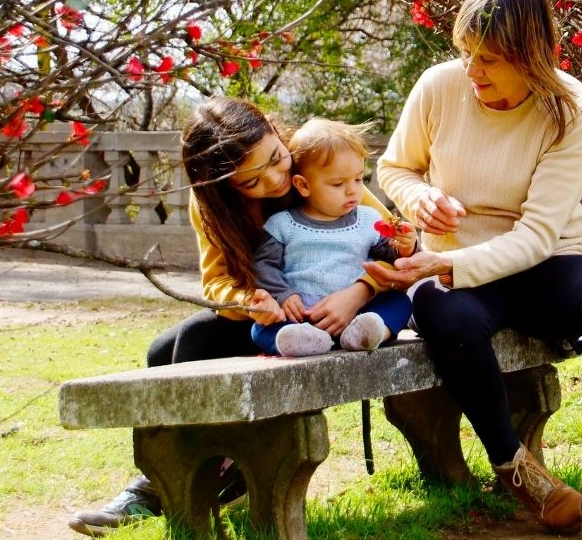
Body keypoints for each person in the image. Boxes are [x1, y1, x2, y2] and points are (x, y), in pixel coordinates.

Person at [371, 0, 582, 539]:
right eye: (466, 53)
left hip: (541, 264)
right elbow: (395, 167)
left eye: (490, 60)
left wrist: (451, 265)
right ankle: (518, 472)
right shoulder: (439, 87)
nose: (472, 73)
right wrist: (421, 198)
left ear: (536, 56)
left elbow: (539, 234)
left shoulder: (574, 110)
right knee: (450, 318)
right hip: (454, 266)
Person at [69, 99, 401, 536]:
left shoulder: (316, 160)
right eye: (252, 181)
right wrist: (253, 300)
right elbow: (217, 284)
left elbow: (393, 240)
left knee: (186, 347)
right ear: (223, 183)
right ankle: (185, 474)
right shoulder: (211, 205)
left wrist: (358, 293)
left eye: (276, 160)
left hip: (334, 316)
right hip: (272, 317)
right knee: (166, 350)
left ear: (276, 132)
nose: (275, 179)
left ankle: (189, 481)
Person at [251, 119, 418, 357]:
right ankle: (303, 341)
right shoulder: (281, 224)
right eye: (338, 183)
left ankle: (370, 331)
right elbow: (263, 267)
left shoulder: (368, 219)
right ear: (303, 185)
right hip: (302, 317)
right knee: (260, 328)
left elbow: (392, 258)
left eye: (359, 179)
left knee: (400, 303)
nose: (352, 190)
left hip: (356, 313)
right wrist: (283, 295)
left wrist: (405, 246)